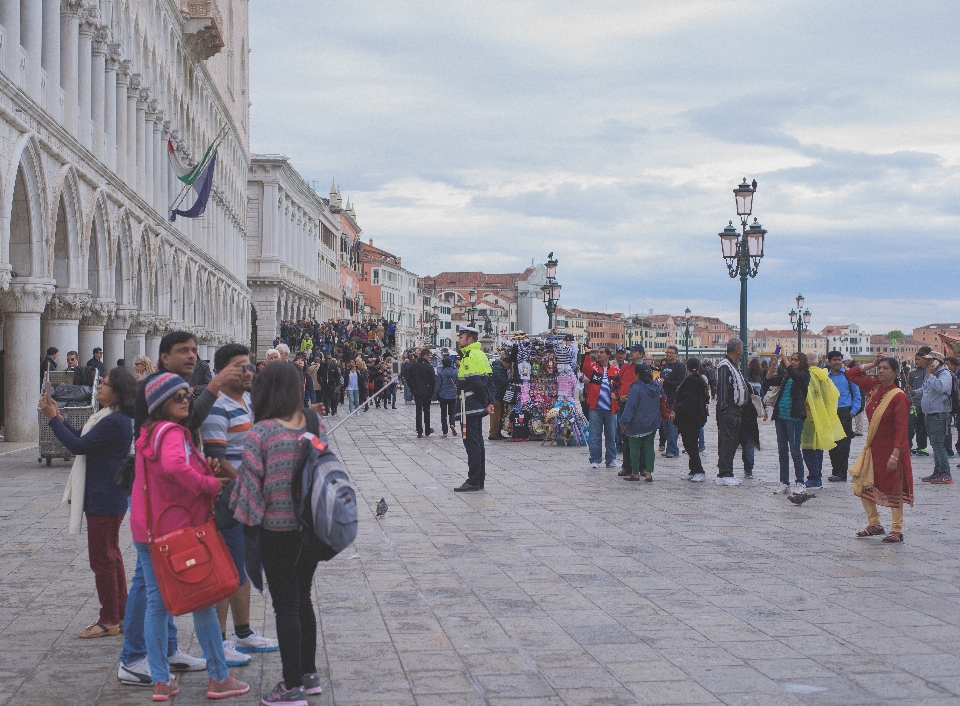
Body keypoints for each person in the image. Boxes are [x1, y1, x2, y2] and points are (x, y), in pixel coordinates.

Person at [118, 331, 244, 687]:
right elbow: (177, 456)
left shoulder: (159, 419)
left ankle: (163, 670)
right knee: (165, 590)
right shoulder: (167, 413)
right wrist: (208, 484)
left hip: (155, 518)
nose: (191, 356)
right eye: (182, 351)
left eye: (193, 350)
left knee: (160, 594)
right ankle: (137, 657)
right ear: (163, 357)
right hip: (171, 519)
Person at [232, 362, 327, 704]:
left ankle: (291, 686)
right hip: (310, 530)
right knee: (302, 599)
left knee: (285, 604)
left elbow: (250, 492)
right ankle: (308, 673)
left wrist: (240, 517)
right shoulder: (313, 424)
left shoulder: (262, 432)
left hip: (278, 531)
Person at [40, 366, 136, 638]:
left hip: (104, 497)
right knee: (111, 556)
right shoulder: (107, 417)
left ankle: (109, 618)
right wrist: (57, 416)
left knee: (102, 560)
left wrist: (52, 419)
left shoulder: (114, 421)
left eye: (104, 384)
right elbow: (82, 438)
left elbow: (77, 446)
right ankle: (120, 613)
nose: (99, 387)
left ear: (116, 392)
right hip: (106, 495)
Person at [200, 344, 279, 669]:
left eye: (249, 367)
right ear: (222, 372)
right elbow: (217, 459)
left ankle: (243, 633)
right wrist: (249, 484)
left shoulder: (245, 401)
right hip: (229, 499)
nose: (248, 373)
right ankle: (219, 641)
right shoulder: (218, 407)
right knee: (226, 571)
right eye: (240, 368)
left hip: (246, 496)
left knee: (243, 567)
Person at [845, 355, 913, 542]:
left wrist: (896, 454)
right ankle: (874, 523)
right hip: (873, 448)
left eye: (886, 368)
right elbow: (851, 373)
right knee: (862, 483)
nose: (881, 371)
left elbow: (902, 429)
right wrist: (871, 364)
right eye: (880, 368)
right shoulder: (874, 387)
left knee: (894, 487)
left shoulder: (898, 396)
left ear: (896, 372)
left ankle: (897, 529)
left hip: (892, 450)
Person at [453, 326, 495, 491]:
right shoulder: (482, 355)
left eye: (461, 337)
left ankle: (473, 480)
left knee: (471, 443)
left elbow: (475, 382)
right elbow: (490, 381)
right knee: (478, 443)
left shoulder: (469, 356)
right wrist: (489, 401)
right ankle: (479, 480)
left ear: (469, 339)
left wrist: (485, 401)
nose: (458, 340)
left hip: (468, 406)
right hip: (477, 405)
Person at [766, 351, 810, 494]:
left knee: (795, 450)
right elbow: (768, 380)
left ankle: (800, 482)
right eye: (791, 359)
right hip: (781, 416)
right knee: (782, 451)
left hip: (794, 418)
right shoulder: (786, 375)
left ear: (802, 362)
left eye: (796, 360)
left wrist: (783, 357)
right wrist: (773, 365)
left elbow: (795, 375)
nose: (792, 362)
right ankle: (784, 482)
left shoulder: (804, 376)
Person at [619, 363, 671, 481]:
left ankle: (635, 473)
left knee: (634, 448)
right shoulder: (657, 387)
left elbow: (630, 406)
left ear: (637, 374)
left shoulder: (636, 387)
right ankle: (648, 473)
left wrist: (624, 421)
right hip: (652, 422)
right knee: (649, 447)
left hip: (636, 422)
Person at [714, 339, 750, 486]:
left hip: (735, 410)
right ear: (736, 350)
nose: (743, 351)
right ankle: (724, 473)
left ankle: (728, 471)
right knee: (727, 441)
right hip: (728, 410)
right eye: (742, 348)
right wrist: (724, 408)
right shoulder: (725, 365)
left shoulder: (733, 365)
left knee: (733, 441)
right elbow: (722, 388)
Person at [915, 351, 954, 484]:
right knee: (934, 444)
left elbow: (940, 387)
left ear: (937, 361)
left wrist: (931, 376)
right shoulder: (930, 374)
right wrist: (914, 392)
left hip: (940, 414)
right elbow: (925, 390)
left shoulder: (944, 374)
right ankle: (938, 471)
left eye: (930, 360)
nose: (927, 363)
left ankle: (945, 473)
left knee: (938, 444)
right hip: (930, 414)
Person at [581, 346, 620, 469]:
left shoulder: (615, 370)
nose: (599, 354)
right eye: (597, 352)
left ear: (608, 355)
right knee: (595, 435)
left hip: (611, 408)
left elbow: (620, 385)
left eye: (602, 352)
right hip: (596, 408)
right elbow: (585, 369)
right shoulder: (593, 367)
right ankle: (595, 460)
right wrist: (587, 353)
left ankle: (611, 460)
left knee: (611, 435)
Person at [827, 350, 862, 483]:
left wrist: (853, 411)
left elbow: (857, 394)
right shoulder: (827, 377)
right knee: (832, 443)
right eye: (834, 360)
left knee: (844, 444)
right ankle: (835, 471)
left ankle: (842, 473)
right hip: (831, 412)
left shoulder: (848, 375)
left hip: (844, 411)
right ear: (829, 362)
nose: (837, 362)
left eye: (839, 360)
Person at [674, 358, 710, 481]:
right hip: (694, 417)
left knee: (691, 445)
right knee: (689, 444)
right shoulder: (699, 380)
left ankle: (699, 470)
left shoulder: (691, 381)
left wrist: (675, 409)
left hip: (690, 418)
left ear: (687, 367)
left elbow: (689, 400)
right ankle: (693, 470)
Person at [615, 344, 644, 477]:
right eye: (630, 351)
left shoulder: (644, 369)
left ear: (641, 354)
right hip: (623, 405)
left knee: (640, 436)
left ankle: (641, 467)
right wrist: (615, 393)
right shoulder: (625, 367)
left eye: (634, 351)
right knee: (625, 435)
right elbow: (616, 382)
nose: (631, 353)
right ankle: (626, 466)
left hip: (637, 407)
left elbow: (646, 387)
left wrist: (629, 397)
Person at [658, 346, 686, 458]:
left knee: (671, 426)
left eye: (671, 352)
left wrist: (666, 382)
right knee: (665, 426)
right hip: (664, 399)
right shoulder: (665, 366)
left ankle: (673, 449)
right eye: (667, 352)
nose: (668, 354)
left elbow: (680, 382)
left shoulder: (679, 366)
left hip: (673, 399)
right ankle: (669, 447)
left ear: (676, 355)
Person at [905, 347, 931, 455]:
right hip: (914, 402)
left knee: (922, 426)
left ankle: (921, 446)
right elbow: (907, 386)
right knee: (910, 425)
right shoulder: (912, 372)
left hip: (925, 403)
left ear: (924, 360)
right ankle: (908, 446)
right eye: (915, 360)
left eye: (919, 359)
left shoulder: (930, 372)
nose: (917, 362)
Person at [407, 349, 436, 438]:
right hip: (427, 392)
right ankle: (427, 429)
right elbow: (432, 381)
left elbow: (408, 379)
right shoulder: (429, 367)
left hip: (417, 391)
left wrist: (413, 389)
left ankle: (419, 430)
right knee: (426, 411)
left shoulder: (413, 366)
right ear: (426, 356)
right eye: (429, 357)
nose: (430, 358)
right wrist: (431, 392)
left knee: (418, 411)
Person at [488, 350, 512, 441]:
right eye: (508, 366)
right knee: (496, 416)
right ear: (505, 363)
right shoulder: (497, 369)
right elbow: (502, 381)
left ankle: (497, 432)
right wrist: (511, 379)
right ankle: (493, 434)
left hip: (499, 394)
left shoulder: (500, 368)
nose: (508, 368)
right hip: (496, 395)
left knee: (500, 415)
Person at [434, 357, 459, 438]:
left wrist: (434, 396)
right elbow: (457, 384)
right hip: (453, 395)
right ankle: (452, 425)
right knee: (451, 413)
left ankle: (445, 432)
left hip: (443, 395)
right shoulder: (455, 373)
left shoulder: (441, 373)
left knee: (443, 414)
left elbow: (437, 386)